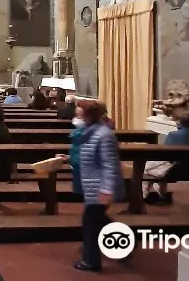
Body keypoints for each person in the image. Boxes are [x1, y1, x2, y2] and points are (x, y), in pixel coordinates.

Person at [74, 99, 125, 272]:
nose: (78, 117)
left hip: (99, 187)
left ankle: (91, 262)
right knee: (98, 220)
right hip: (92, 185)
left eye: (80, 114)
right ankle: (125, 241)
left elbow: (110, 165)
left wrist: (107, 190)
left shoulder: (104, 135)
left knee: (90, 222)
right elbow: (88, 156)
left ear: (89, 116)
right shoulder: (89, 132)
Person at [142, 110, 189, 204]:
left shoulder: (173, 135)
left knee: (146, 166)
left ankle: (146, 193)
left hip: (174, 172)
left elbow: (165, 155)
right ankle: (160, 193)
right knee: (158, 167)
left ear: (180, 122)